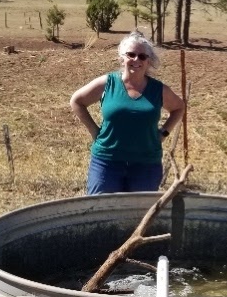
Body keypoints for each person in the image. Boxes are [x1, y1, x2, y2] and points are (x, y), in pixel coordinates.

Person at [70, 31, 184, 194]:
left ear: (148, 61)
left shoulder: (158, 89)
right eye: (131, 54)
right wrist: (95, 132)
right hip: (107, 162)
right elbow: (76, 101)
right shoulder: (107, 83)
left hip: (146, 164)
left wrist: (163, 133)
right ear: (121, 58)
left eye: (142, 56)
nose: (136, 60)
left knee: (139, 213)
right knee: (100, 210)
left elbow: (179, 107)